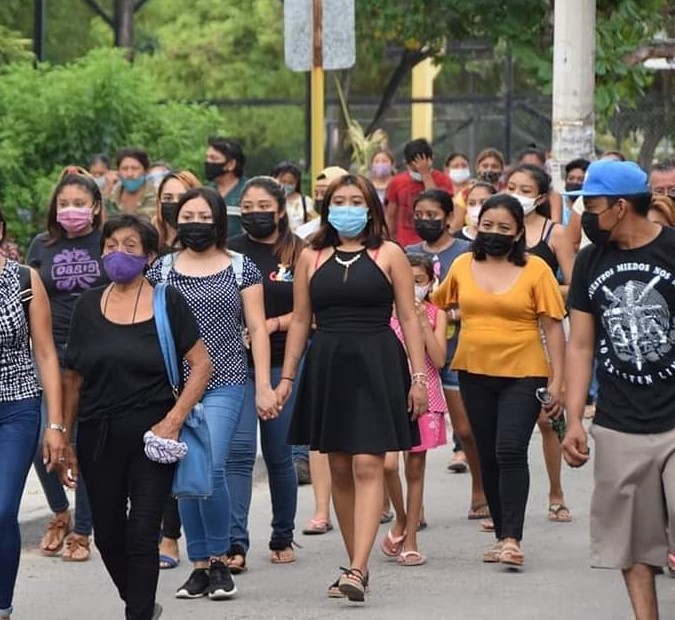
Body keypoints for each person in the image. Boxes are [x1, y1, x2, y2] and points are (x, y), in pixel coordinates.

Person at [279, 174, 428, 602]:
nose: (347, 207)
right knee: (340, 466)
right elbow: (301, 320)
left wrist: (418, 379)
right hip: (328, 363)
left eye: (355, 200)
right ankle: (354, 564)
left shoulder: (391, 254)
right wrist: (287, 377)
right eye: (338, 200)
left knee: (369, 463)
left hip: (377, 361)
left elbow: (410, 318)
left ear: (371, 207)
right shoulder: (311, 256)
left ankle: (359, 567)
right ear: (327, 208)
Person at [61, 214, 211, 620]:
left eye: (130, 245)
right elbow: (72, 378)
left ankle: (138, 614)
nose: (118, 253)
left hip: (153, 436)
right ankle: (141, 603)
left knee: (143, 532)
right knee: (108, 535)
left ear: (148, 255)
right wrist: (63, 435)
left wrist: (175, 419)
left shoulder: (168, 301)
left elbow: (201, 364)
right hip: (97, 434)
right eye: (111, 245)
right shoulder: (87, 306)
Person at [145, 186, 277, 602]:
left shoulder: (242, 267)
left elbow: (256, 328)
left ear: (219, 222)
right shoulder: (160, 271)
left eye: (204, 217)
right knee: (185, 474)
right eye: (187, 216)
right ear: (175, 220)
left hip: (227, 380)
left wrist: (264, 386)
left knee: (212, 466)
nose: (195, 224)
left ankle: (221, 560)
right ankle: (198, 566)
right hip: (174, 386)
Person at [562, 159, 675, 620]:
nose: (585, 215)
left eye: (592, 205)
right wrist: (573, 418)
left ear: (621, 206)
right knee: (631, 544)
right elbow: (582, 344)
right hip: (619, 424)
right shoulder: (591, 260)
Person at [432, 194, 566, 568]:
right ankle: (500, 535)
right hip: (474, 371)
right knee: (488, 453)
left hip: (524, 373)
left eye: (504, 228)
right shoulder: (461, 265)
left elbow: (554, 328)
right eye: (487, 226)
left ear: (519, 232)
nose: (494, 233)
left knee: (509, 449)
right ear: (476, 227)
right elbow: (437, 301)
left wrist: (559, 382)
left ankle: (512, 538)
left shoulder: (537, 269)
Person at [27, 167, 109, 562]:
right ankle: (59, 511)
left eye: (79, 204)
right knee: (44, 438)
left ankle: (83, 530)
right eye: (64, 204)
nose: (71, 210)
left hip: (98, 353)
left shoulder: (108, 243)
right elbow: (27, 296)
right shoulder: (41, 245)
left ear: (95, 208)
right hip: (51, 351)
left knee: (85, 444)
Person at [227, 176, 305, 572]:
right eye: (249, 206)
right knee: (239, 454)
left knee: (279, 455)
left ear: (280, 210)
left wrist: (273, 325)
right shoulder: (229, 252)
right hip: (234, 366)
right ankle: (235, 543)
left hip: (282, 364)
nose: (256, 213)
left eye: (264, 206)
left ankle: (282, 534)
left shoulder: (299, 253)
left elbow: (313, 312)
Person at [0, 206, 65, 620]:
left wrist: (55, 423)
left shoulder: (23, 279)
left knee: (3, 509)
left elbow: (45, 352)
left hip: (18, 405)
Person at [405, 189, 487, 516]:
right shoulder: (406, 253)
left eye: (433, 215)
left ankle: (480, 491)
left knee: (466, 429)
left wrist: (446, 314)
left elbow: (480, 298)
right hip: (416, 356)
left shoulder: (466, 253)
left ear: (449, 216)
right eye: (420, 215)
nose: (426, 221)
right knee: (412, 438)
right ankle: (413, 508)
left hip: (457, 351)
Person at [505, 164, 576, 523]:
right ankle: (498, 501)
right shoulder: (499, 230)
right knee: (504, 425)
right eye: (512, 186)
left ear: (542, 197)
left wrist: (538, 289)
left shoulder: (555, 233)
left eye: (526, 188)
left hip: (547, 332)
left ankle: (556, 493)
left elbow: (575, 286)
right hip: (506, 334)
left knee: (548, 420)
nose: (518, 193)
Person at [381, 254, 448, 566]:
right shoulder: (384, 312)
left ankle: (411, 538)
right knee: (388, 466)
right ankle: (403, 519)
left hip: (426, 394)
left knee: (415, 469)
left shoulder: (436, 313)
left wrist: (422, 322)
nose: (412, 287)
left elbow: (439, 359)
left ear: (430, 283)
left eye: (419, 281)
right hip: (389, 394)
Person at [150, 169, 200, 570]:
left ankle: (185, 537)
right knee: (162, 449)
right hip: (158, 365)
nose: (173, 205)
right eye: (167, 197)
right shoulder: (146, 244)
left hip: (198, 362)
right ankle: (165, 533)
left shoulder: (203, 244)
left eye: (180, 198)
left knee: (197, 456)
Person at [385, 138, 454, 246]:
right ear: (407, 164)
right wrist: (387, 240)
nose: (418, 171)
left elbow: (437, 203)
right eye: (415, 169)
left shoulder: (443, 180)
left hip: (434, 241)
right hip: (405, 243)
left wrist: (425, 174)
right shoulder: (397, 182)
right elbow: (390, 216)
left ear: (431, 160)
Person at [204, 137, 248, 238]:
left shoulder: (249, 190)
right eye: (207, 158)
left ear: (231, 164)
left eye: (213, 158)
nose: (208, 162)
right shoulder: (206, 192)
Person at [295, 166, 348, 241]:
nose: (318, 198)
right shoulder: (304, 232)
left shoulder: (353, 229)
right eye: (316, 194)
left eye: (324, 193)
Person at [154, 171, 201, 254]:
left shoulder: (205, 247)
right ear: (159, 202)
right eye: (168, 198)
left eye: (182, 197)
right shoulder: (148, 240)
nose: (175, 203)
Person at [516, 146, 563, 223]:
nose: (530, 172)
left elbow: (555, 225)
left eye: (535, 168)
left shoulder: (553, 196)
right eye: (526, 167)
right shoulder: (508, 193)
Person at [107, 147, 156, 219]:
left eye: (135, 168)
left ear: (145, 171)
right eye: (124, 169)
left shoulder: (157, 195)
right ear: (118, 171)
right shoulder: (111, 197)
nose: (129, 174)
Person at [271, 161, 317, 232]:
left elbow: (312, 224)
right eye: (283, 181)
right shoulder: (269, 200)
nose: (286, 185)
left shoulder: (305, 202)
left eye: (291, 183)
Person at [444, 152, 472, 231]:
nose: (460, 169)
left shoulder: (475, 190)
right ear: (446, 170)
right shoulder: (445, 195)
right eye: (456, 166)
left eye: (464, 166)